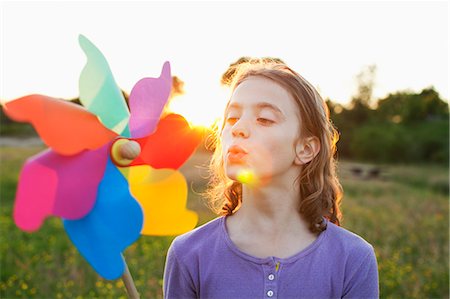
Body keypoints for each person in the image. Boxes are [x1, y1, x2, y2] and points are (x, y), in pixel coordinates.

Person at [117, 58, 379, 298]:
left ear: (306, 148)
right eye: (231, 118)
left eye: (264, 119)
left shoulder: (352, 260)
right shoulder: (189, 254)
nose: (238, 128)